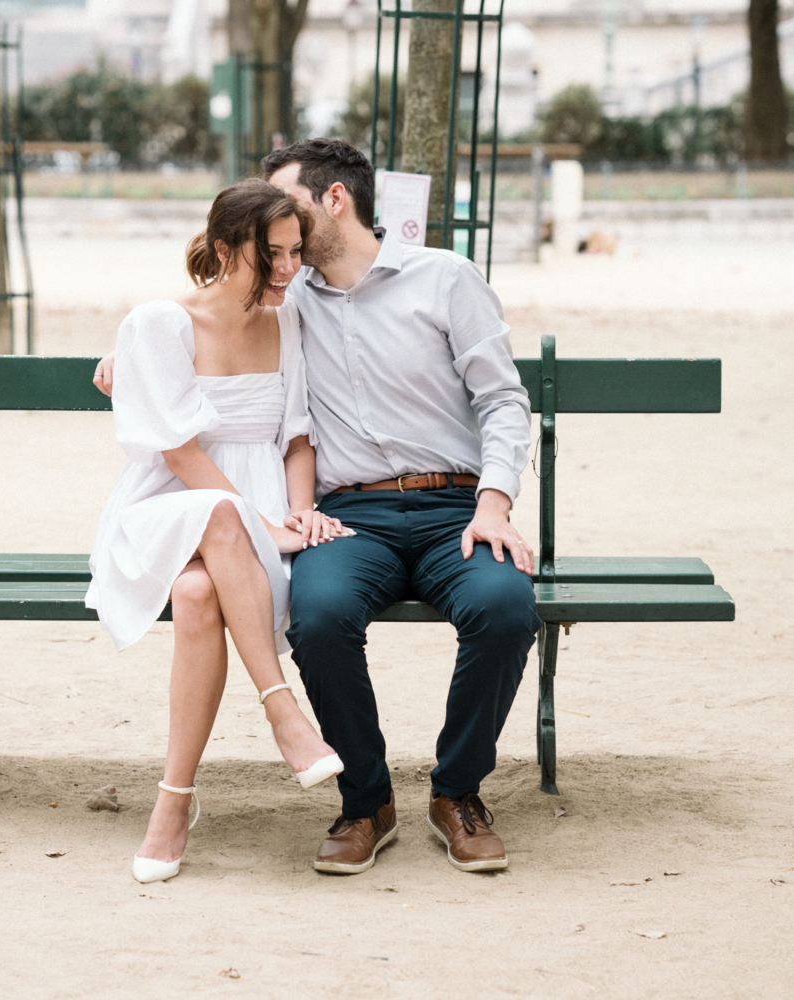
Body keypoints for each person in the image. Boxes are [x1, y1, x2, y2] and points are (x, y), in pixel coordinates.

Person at [95, 139, 539, 877]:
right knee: (322, 616)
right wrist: (115, 361)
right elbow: (198, 310)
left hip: (454, 507)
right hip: (347, 515)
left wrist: (493, 503)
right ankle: (366, 801)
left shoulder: (444, 279)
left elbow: (502, 399)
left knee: (505, 607)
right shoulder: (286, 294)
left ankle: (457, 792)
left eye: (291, 214)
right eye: (277, 240)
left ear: (334, 200)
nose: (286, 247)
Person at [88, 178, 352, 885]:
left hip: (253, 518)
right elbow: (179, 454)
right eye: (275, 255)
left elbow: (297, 438)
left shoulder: (288, 317)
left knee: (201, 596)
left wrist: (296, 512)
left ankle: (172, 803)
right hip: (170, 506)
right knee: (224, 517)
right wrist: (261, 522)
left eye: (297, 252)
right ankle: (285, 713)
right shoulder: (159, 323)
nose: (291, 269)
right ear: (227, 249)